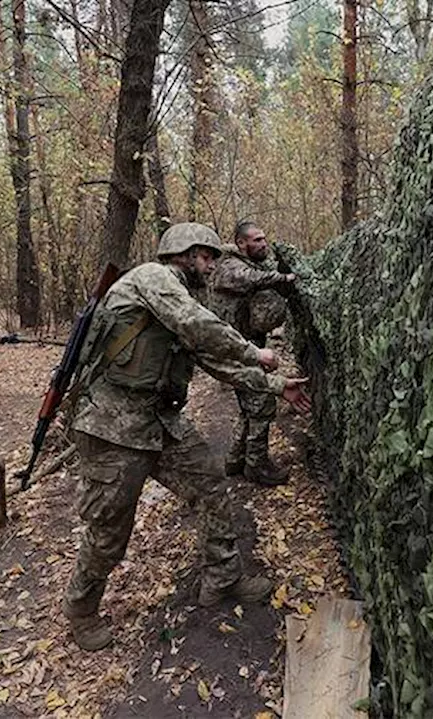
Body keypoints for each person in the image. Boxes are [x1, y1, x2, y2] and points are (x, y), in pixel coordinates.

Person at [64, 221, 312, 652]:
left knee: (211, 484)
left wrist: (276, 386)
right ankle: (82, 611)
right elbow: (198, 325)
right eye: (209, 255)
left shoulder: (181, 296)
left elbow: (213, 359)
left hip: (158, 420)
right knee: (108, 530)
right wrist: (254, 351)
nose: (214, 264)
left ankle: (221, 577)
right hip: (112, 427)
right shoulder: (153, 279)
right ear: (187, 252)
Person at [208, 221, 299, 486]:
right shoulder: (228, 266)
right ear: (241, 244)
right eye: (256, 240)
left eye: (264, 239)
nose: (263, 244)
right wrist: (285, 279)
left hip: (246, 344)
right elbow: (250, 279)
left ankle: (236, 460)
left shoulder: (250, 263)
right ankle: (257, 466)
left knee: (249, 406)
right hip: (236, 347)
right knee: (260, 402)